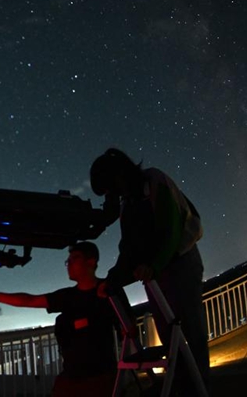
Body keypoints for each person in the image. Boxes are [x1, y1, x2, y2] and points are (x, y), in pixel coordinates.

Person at [90, 148, 210, 395]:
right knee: (169, 336)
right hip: (155, 274)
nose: (113, 195)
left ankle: (200, 388)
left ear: (120, 174)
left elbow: (171, 230)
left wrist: (153, 265)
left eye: (111, 188)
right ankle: (180, 386)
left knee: (192, 331)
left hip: (181, 263)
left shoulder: (155, 181)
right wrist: (113, 279)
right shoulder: (128, 204)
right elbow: (128, 250)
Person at [0, 242, 118, 397]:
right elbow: (30, 300)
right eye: (68, 261)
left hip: (100, 378)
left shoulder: (108, 291)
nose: (69, 264)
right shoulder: (67, 296)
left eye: (75, 258)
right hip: (71, 377)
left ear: (91, 261)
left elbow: (128, 328)